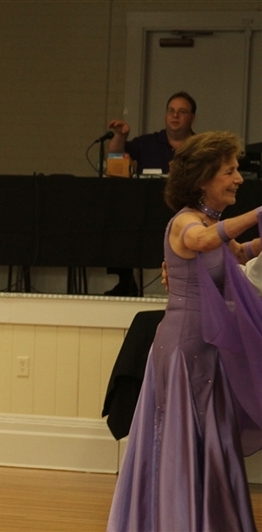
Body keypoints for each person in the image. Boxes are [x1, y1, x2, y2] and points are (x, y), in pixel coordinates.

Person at [107, 131, 262, 531]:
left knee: (212, 437)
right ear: (204, 178)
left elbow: (239, 253)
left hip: (211, 347)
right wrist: (257, 214)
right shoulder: (186, 222)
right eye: (229, 171)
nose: (238, 179)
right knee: (179, 437)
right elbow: (205, 241)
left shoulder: (212, 222)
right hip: (183, 348)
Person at [103, 91, 198, 296]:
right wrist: (121, 136)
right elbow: (116, 155)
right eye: (171, 111)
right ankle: (128, 284)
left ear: (192, 118)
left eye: (182, 112)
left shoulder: (201, 147)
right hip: (146, 215)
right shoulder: (147, 143)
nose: (175, 115)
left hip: (187, 214)